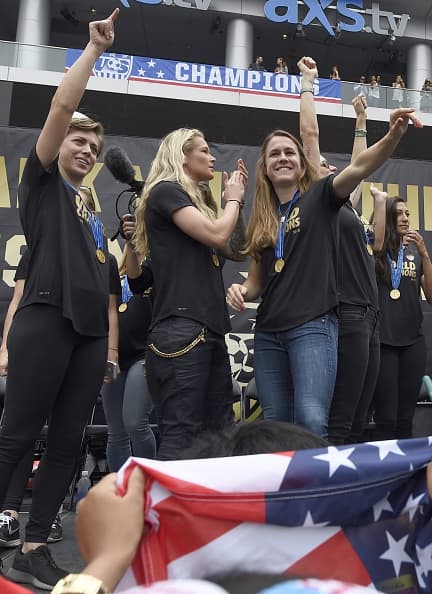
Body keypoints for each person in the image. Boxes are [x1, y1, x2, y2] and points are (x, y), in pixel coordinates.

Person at [226, 55, 422, 438]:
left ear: (303, 165)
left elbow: (355, 163)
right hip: (269, 331)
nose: (283, 158)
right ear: (264, 168)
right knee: (278, 426)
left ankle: (320, 496)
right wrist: (241, 290)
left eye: (290, 153)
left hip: (315, 325)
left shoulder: (320, 197)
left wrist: (393, 133)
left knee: (315, 420)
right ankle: (288, 497)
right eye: (274, 155)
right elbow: (255, 282)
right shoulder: (264, 220)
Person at [0, 8, 120, 590]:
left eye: (94, 144)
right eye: (80, 138)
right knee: (19, 434)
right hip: (44, 319)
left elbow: (104, 285)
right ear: (59, 143)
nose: (87, 147)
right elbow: (59, 107)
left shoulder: (93, 210)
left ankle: (34, 546)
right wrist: (93, 51)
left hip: (89, 336)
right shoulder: (43, 183)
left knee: (69, 442)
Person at [131, 131, 247, 460]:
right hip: (181, 328)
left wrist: (234, 200)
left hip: (208, 330)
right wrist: (234, 200)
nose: (213, 158)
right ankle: (168, 511)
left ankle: (211, 509)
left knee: (220, 432)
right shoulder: (166, 191)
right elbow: (216, 233)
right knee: (181, 431)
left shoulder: (197, 207)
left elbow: (236, 247)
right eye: (205, 151)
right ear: (183, 156)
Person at [322, 95, 386, 444]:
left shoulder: (346, 207)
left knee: (360, 416)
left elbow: (359, 168)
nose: (334, 169)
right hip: (347, 315)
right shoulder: (323, 205)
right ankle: (329, 494)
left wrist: (360, 120)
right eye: (325, 167)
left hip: (370, 315)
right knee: (343, 419)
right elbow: (355, 170)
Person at [370, 197, 432, 440]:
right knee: (387, 417)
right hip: (383, 342)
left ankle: (404, 475)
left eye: (407, 213)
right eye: (398, 214)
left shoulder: (415, 254)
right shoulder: (376, 253)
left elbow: (430, 296)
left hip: (412, 343)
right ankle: (387, 474)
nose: (406, 218)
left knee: (406, 418)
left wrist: (425, 255)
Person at [101, 245, 157, 471]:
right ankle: (120, 490)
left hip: (144, 355)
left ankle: (148, 482)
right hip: (113, 357)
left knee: (135, 423)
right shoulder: (115, 274)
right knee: (116, 431)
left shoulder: (155, 272)